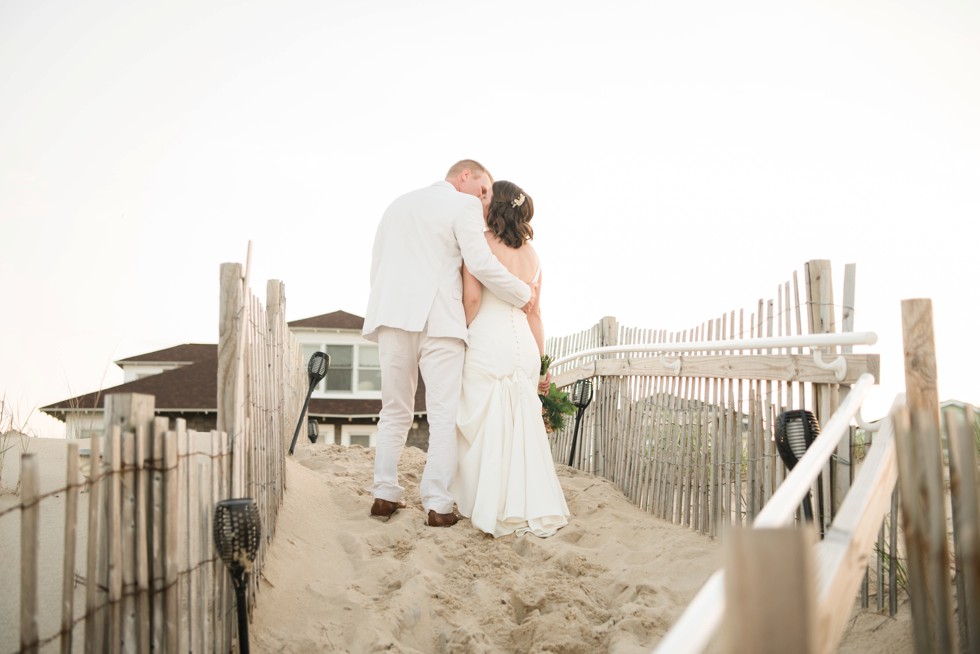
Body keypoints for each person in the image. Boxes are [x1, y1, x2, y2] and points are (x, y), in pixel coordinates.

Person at [362, 160, 535, 527]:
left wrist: (387, 305)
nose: (486, 201)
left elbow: (376, 267)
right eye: (484, 190)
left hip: (391, 316)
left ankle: (384, 494)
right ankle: (438, 504)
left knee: (394, 409)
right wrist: (523, 293)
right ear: (465, 177)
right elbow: (481, 264)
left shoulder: (396, 205)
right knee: (443, 416)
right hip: (439, 319)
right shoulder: (465, 205)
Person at [451, 180, 570, 538]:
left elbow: (472, 298)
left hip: (489, 336)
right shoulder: (534, 257)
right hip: (524, 344)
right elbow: (536, 314)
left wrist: (464, 334)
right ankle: (526, 504)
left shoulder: (480, 244)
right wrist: (542, 362)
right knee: (520, 422)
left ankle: (487, 503)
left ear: (496, 206)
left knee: (485, 418)